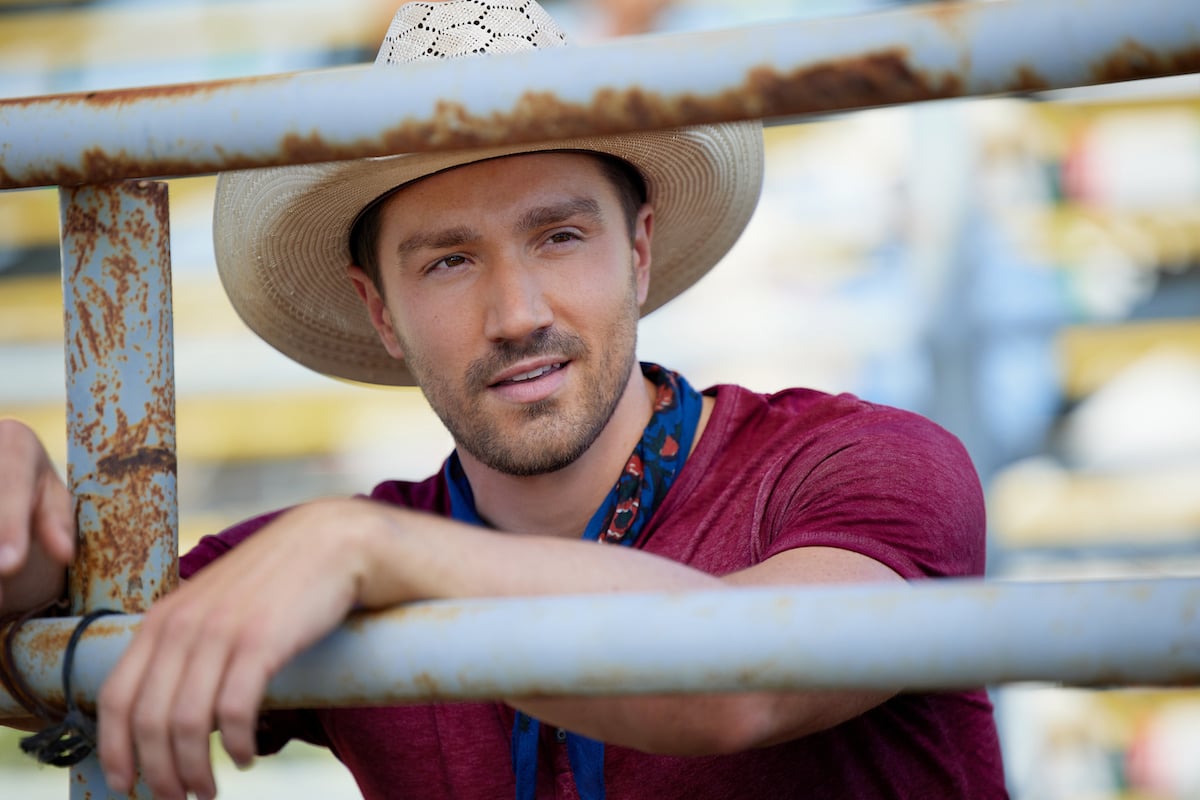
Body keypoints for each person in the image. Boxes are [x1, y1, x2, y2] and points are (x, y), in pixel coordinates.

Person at [0, 1, 1008, 798]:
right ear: (379, 309)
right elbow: (58, 656)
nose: (516, 311)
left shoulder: (866, 460)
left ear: (639, 249)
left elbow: (743, 683)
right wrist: (24, 531)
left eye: (560, 236)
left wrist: (372, 558)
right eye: (447, 261)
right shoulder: (339, 546)